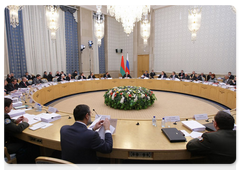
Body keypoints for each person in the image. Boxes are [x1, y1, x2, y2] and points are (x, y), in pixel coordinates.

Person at [60, 104, 113, 170]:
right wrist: (107, 129)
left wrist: (93, 129)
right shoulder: (92, 135)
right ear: (87, 116)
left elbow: (80, 135)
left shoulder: (64, 129)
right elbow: (108, 148)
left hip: (68, 167)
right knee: (107, 162)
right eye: (90, 114)